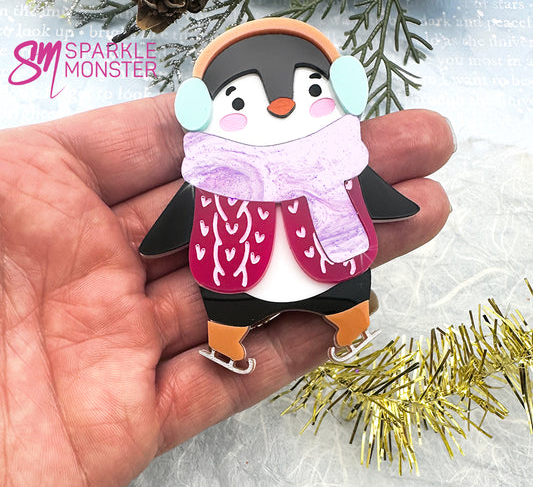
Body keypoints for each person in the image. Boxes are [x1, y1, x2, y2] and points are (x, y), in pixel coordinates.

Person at [0, 94, 454, 486]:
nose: (281, 105)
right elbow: (182, 211)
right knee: (230, 310)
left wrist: (395, 206)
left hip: (331, 266)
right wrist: (157, 242)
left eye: (310, 89)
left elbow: (371, 192)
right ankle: (229, 343)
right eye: (239, 101)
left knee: (345, 294)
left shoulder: (339, 163)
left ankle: (348, 327)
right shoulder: (211, 176)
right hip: (237, 279)